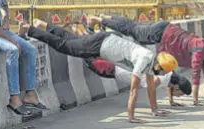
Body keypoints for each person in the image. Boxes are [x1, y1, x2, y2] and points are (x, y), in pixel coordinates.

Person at [18, 19, 179, 123]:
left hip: (104, 42)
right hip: (100, 45)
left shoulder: (152, 60)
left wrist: (154, 110)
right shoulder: (144, 59)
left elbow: (150, 87)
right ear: (160, 66)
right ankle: (29, 28)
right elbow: (133, 91)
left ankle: (43, 24)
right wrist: (131, 116)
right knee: (66, 46)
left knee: (72, 40)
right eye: (165, 72)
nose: (164, 75)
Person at [87, 15, 204, 106]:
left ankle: (109, 17)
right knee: (133, 30)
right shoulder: (200, 51)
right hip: (161, 33)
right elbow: (196, 76)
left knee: (134, 28)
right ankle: (98, 21)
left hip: (164, 31)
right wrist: (195, 100)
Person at [62, 21, 192, 106]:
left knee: (88, 51)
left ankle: (79, 31)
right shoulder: (159, 78)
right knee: (87, 56)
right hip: (116, 70)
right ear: (177, 87)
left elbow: (169, 86)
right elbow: (151, 92)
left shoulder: (168, 74)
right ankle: (75, 31)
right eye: (180, 94)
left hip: (118, 67)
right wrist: (154, 110)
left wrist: (171, 101)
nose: (179, 96)